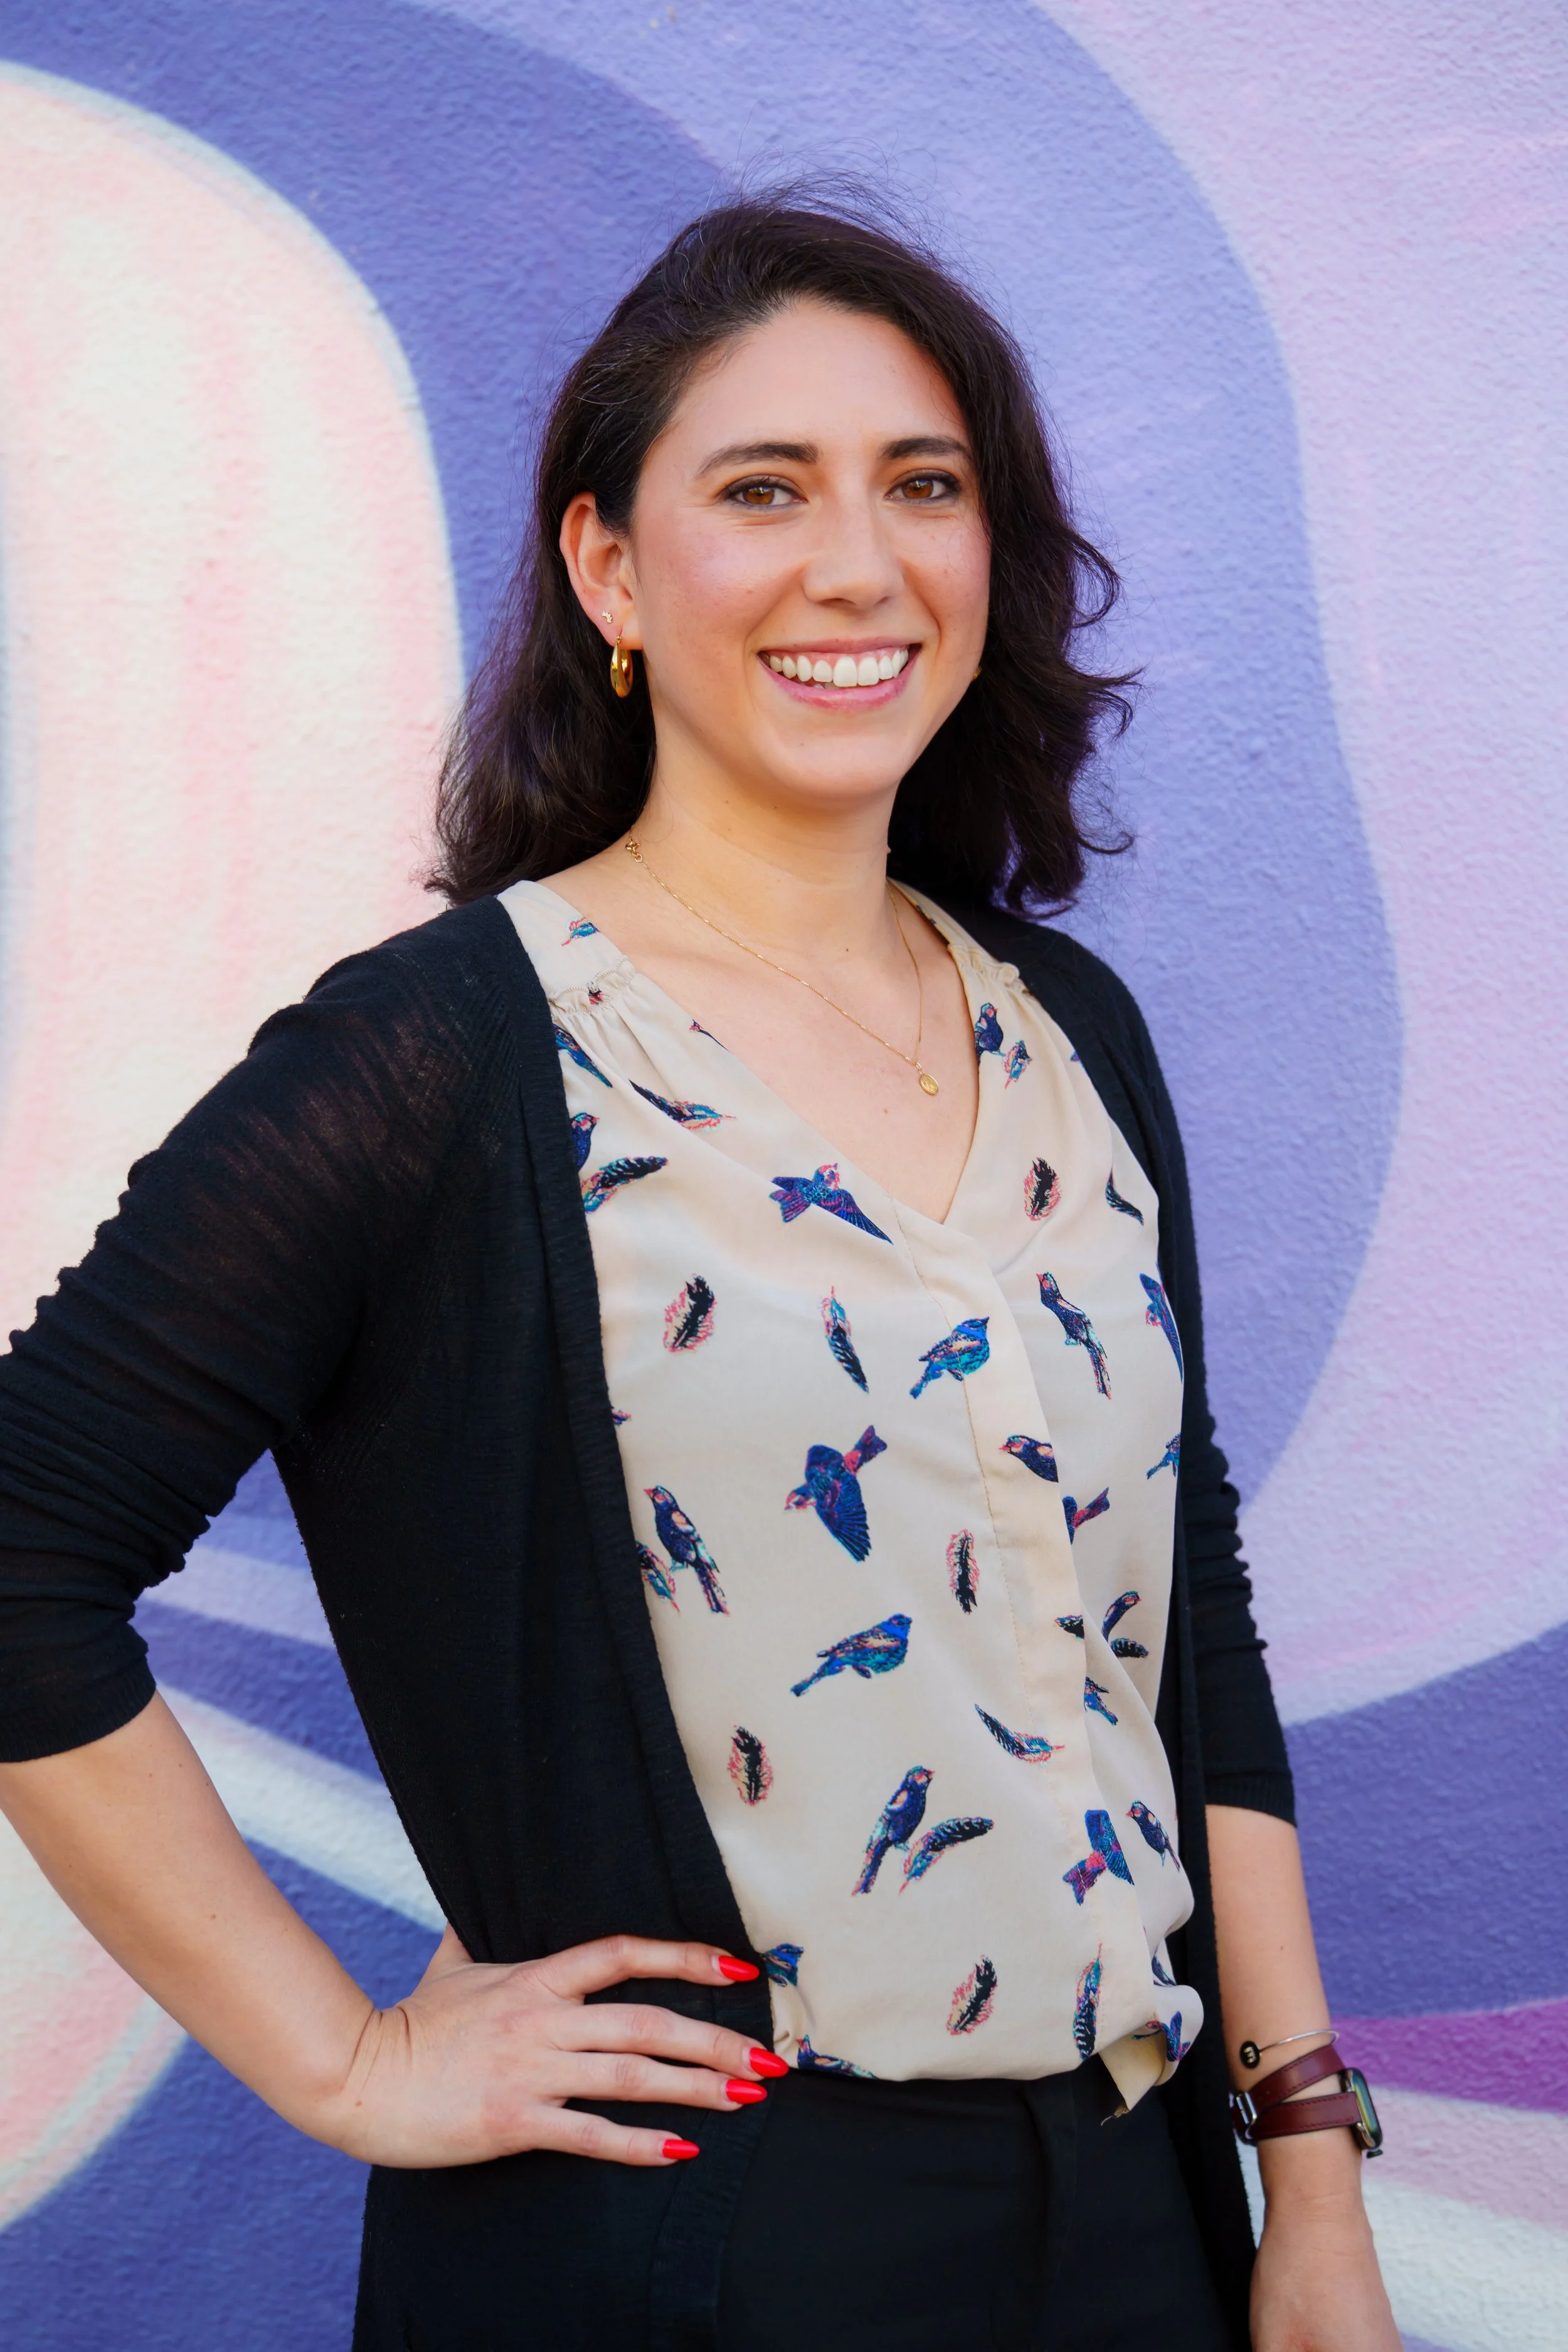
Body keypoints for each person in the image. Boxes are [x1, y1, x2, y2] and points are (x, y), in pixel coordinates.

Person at [0, 195, 1398, 2351]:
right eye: (763, 490)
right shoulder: (443, 1055)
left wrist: (1302, 2171)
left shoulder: (1068, 1035)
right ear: (609, 572)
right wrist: (343, 2057)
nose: (859, 562)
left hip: (1145, 2218)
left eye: (921, 487)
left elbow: (1178, 1609)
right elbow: (23, 1537)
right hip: (699, 2243)